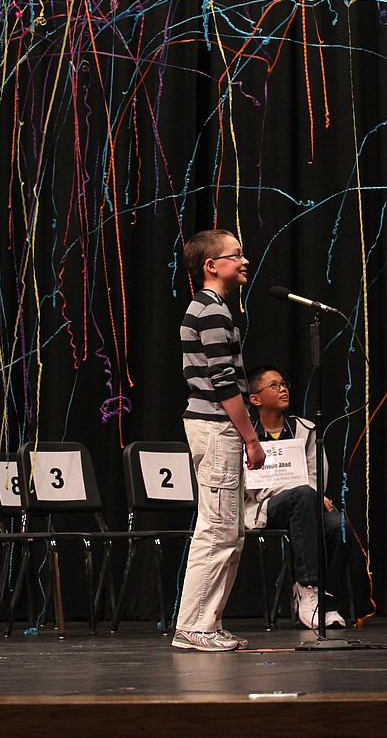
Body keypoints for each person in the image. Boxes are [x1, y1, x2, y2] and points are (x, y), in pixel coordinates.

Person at [171, 229, 266, 652]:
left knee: (230, 532)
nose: (243, 261)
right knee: (217, 531)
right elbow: (224, 380)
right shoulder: (210, 311)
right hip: (215, 426)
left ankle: (207, 622)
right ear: (211, 265)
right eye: (235, 255)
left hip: (218, 426)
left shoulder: (217, 309)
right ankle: (194, 625)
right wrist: (250, 437)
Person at [244, 365, 348, 630]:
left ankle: (326, 603)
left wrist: (313, 495)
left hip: (304, 502)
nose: (283, 389)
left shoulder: (305, 430)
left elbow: (316, 473)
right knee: (301, 495)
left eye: (284, 383)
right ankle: (307, 586)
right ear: (255, 398)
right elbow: (244, 482)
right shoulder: (244, 434)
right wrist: (298, 493)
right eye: (274, 385)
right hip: (265, 506)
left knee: (336, 523)